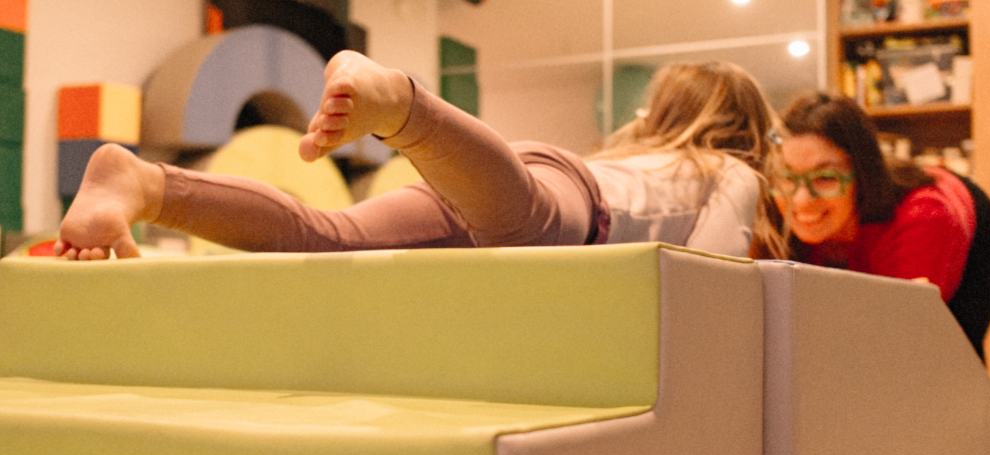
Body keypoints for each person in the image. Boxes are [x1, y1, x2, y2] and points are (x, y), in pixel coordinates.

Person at [56, 51, 780, 261]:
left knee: (326, 238)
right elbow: (716, 275)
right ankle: (404, 107)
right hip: (567, 203)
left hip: (511, 176)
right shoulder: (735, 171)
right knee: (525, 226)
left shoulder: (647, 157)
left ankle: (144, 185)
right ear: (744, 130)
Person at [751, 90, 990, 362]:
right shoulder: (772, 210)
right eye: (786, 177)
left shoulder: (922, 218)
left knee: (950, 358)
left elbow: (899, 342)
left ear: (863, 176)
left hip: (968, 231)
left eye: (825, 177)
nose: (801, 201)